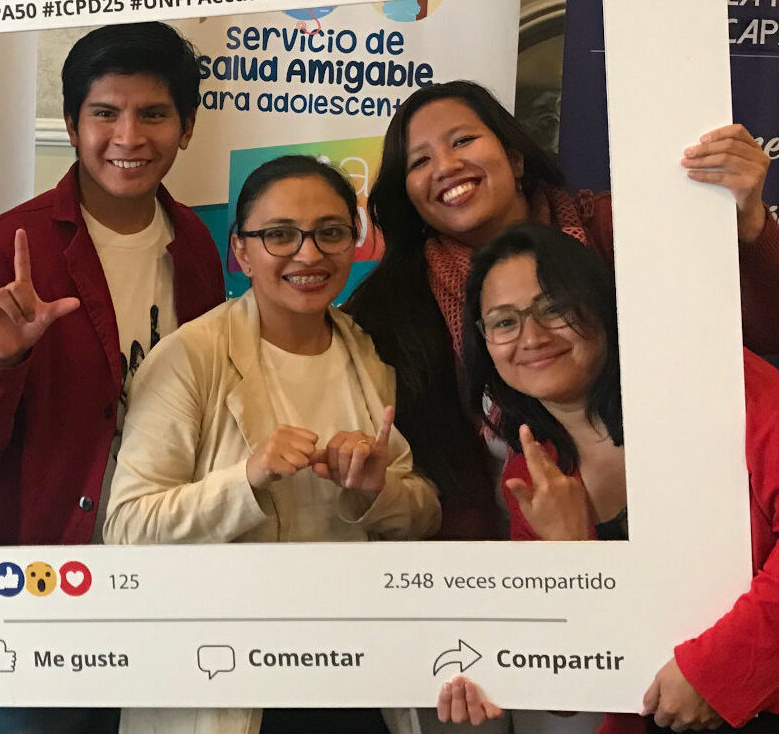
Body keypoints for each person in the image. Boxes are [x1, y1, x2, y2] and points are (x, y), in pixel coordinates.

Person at [0, 22, 225, 734]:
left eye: (153, 113)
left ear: (186, 128)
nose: (128, 136)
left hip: (162, 573)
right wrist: (3, 362)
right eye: (105, 112)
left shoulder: (194, 245)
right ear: (71, 123)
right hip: (40, 575)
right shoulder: (9, 248)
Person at [345, 81, 779, 540]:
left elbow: (763, 330)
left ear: (515, 158)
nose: (447, 166)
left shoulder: (618, 227)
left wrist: (749, 221)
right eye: (420, 161)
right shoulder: (393, 309)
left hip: (705, 514)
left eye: (463, 141)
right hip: (512, 554)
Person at [104, 154, 441, 734]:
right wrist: (247, 479)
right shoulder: (191, 359)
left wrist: (375, 492)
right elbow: (128, 527)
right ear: (242, 250)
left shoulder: (367, 354)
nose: (308, 255)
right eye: (280, 235)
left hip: (352, 677)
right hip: (230, 686)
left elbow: (423, 513)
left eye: (331, 233)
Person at [436, 223, 779, 733]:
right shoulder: (531, 468)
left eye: (554, 308)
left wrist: (714, 671)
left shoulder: (721, 383)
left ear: (601, 305)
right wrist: (490, 675)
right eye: (504, 323)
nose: (532, 338)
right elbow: (571, 681)